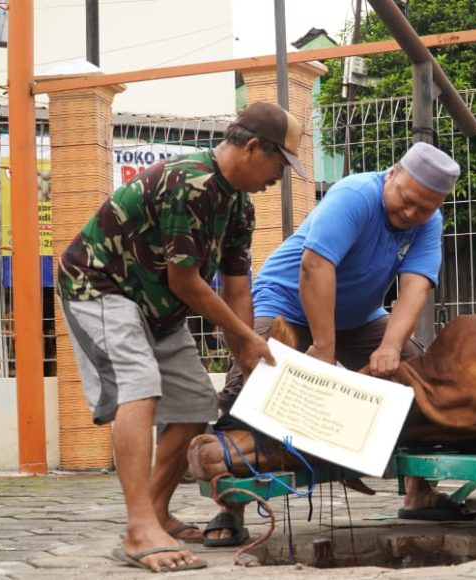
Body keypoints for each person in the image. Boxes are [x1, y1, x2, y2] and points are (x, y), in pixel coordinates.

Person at [58, 101, 305, 572]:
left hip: (158, 310)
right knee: (140, 384)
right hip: (102, 287)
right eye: (279, 163)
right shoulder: (190, 182)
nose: (280, 177)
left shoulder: (240, 206)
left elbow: (236, 290)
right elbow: (185, 282)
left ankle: (153, 513)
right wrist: (246, 341)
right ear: (253, 147)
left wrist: (245, 354)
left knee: (194, 403)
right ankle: (138, 530)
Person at [203, 142, 469, 547]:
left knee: (420, 378)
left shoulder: (428, 223)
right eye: (408, 201)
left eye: (426, 208)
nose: (413, 214)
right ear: (392, 174)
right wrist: (324, 349)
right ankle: (230, 507)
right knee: (249, 382)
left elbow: (415, 287)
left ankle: (419, 492)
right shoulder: (354, 195)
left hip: (359, 317)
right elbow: (316, 266)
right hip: (286, 302)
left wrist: (392, 347)